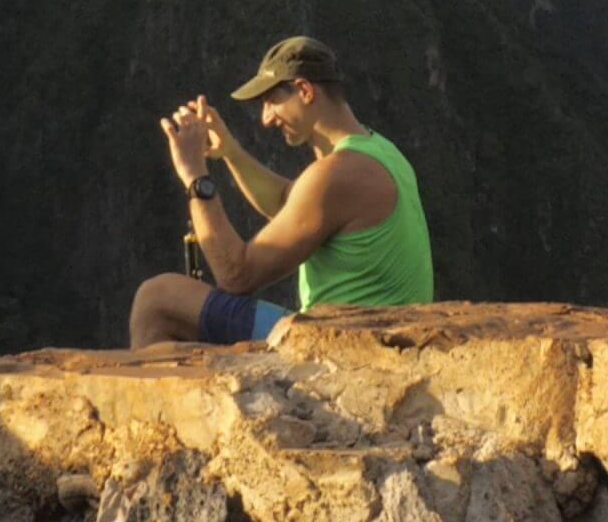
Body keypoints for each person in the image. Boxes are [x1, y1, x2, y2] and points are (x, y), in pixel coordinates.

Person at [126, 36, 433, 347]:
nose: (266, 118)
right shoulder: (380, 151)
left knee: (156, 300)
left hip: (343, 346)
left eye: (271, 101)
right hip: (373, 336)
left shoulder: (337, 174)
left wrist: (195, 176)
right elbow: (291, 201)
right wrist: (231, 152)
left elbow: (237, 276)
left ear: (304, 90)